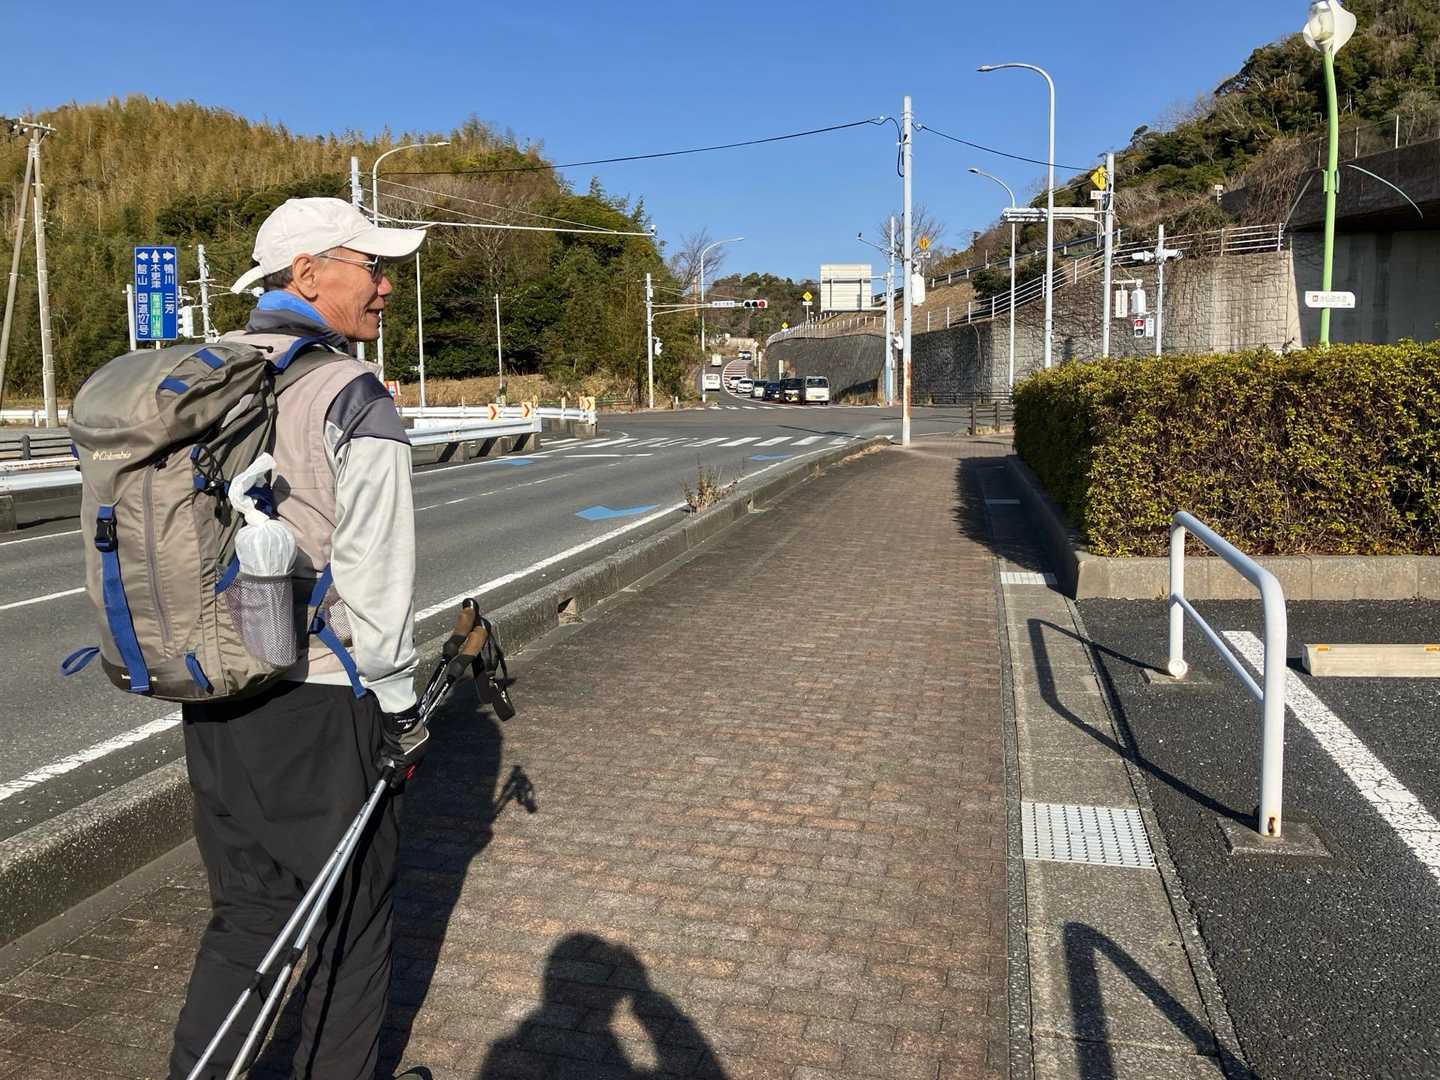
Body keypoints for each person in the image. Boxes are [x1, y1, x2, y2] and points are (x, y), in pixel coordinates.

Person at [168, 197, 430, 1079]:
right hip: (323, 693)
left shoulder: (204, 380)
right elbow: (377, 576)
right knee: (351, 922)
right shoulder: (349, 392)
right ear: (309, 273)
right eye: (372, 266)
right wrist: (401, 710)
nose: (385, 286)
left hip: (217, 690)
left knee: (248, 914)